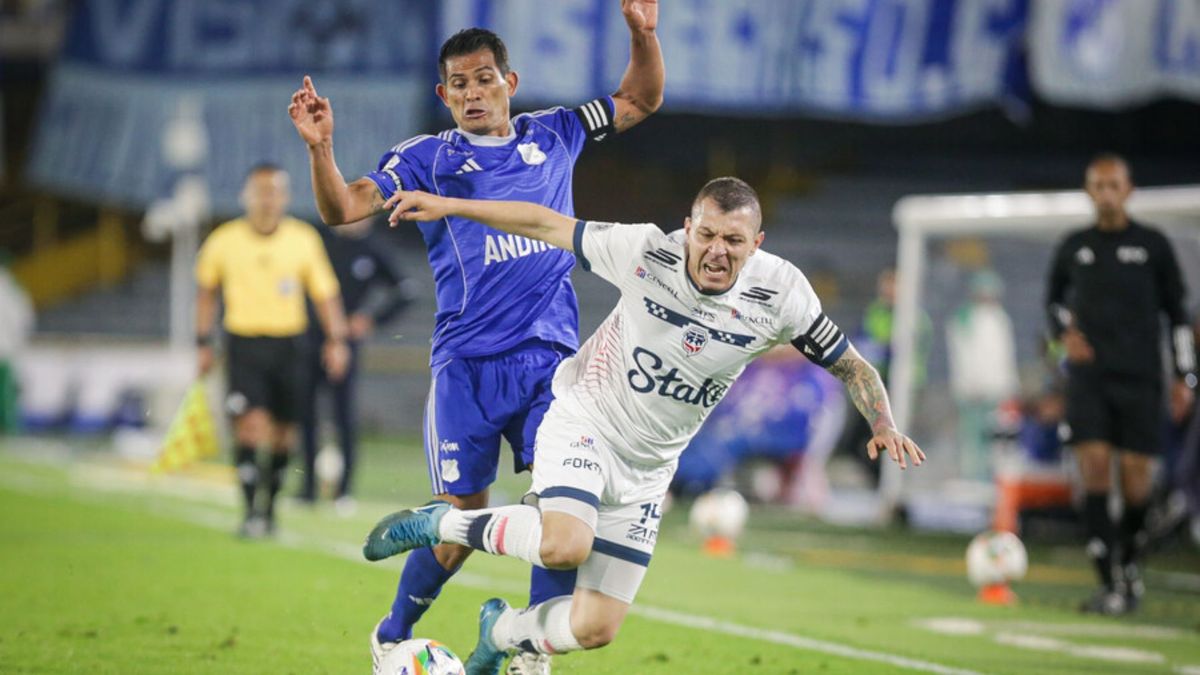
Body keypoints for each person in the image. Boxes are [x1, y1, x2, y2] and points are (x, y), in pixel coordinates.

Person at [364, 177, 924, 674]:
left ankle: (503, 634)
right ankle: (441, 524)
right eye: (706, 234)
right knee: (565, 545)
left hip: (650, 470)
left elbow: (851, 364)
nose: (716, 250)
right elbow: (542, 221)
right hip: (587, 421)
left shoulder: (782, 293)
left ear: (757, 245)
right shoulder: (644, 251)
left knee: (595, 628)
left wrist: (884, 421)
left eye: (733, 241)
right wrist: (449, 204)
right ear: (688, 229)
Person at [289, 3, 663, 670]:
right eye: (458, 84)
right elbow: (343, 208)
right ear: (443, 94)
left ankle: (529, 647)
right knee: (463, 515)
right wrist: (321, 148)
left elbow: (639, 98)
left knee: (558, 506)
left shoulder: (557, 132)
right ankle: (392, 631)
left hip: (551, 366)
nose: (471, 93)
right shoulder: (425, 158)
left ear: (509, 82)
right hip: (466, 365)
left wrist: (642, 32)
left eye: (483, 78)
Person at [1045, 153, 1196, 615]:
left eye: (1114, 185)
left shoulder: (1153, 245)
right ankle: (1109, 580)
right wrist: (1063, 337)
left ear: (1128, 190)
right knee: (1093, 466)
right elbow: (1053, 305)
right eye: (1098, 185)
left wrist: (1185, 376)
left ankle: (1128, 565)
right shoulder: (1074, 246)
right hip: (1089, 380)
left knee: (1136, 483)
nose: (1106, 193)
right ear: (1089, 191)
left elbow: (1178, 315)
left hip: (1141, 378)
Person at [195, 164, 350, 538]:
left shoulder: (302, 238)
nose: (267, 198)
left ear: (284, 196)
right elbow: (206, 293)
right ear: (246, 196)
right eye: (260, 191)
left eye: (274, 191)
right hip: (244, 344)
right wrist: (202, 342)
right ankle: (250, 512)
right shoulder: (223, 239)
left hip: (290, 346)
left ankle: (269, 509)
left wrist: (337, 339)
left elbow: (325, 294)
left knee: (284, 435)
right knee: (250, 427)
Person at [297, 217, 414, 513]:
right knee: (306, 414)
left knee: (343, 416)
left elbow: (406, 291)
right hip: (308, 338)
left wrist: (371, 319)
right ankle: (307, 489)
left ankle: (343, 491)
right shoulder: (316, 239)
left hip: (346, 343)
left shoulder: (372, 248)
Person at [946, 269, 1019, 482]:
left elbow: (1006, 355)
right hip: (973, 390)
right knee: (972, 437)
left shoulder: (1000, 318)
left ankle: (994, 478)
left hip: (998, 389)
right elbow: (961, 354)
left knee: (997, 439)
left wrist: (1010, 383)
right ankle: (971, 477)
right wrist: (968, 384)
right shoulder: (964, 317)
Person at [0, 252, 34, 435]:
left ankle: (7, 428)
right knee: (5, 394)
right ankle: (7, 429)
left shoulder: (11, 289)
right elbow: (24, 319)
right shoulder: (13, 289)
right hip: (6, 349)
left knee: (5, 392)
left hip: (4, 349)